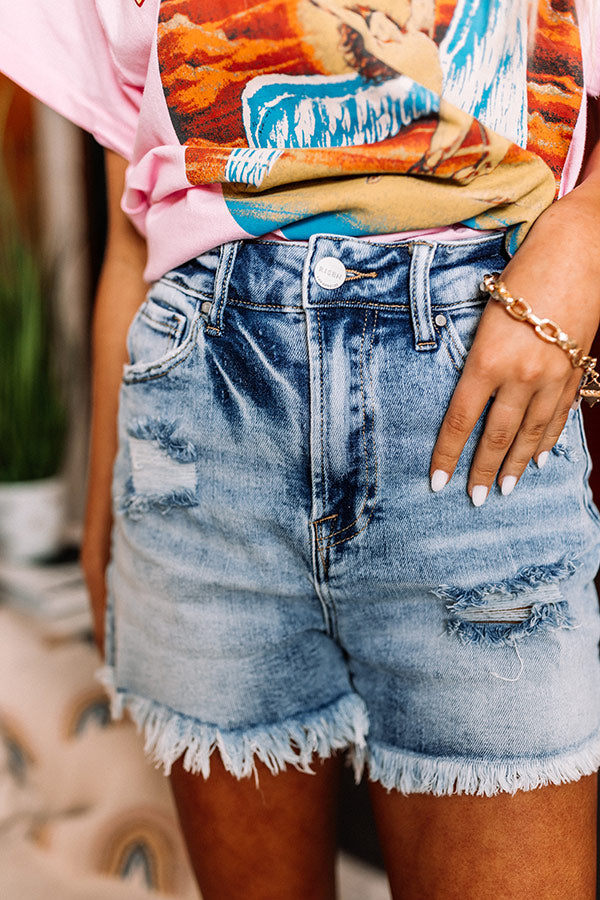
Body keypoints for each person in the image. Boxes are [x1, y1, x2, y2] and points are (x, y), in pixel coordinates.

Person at [2, 1, 600, 897]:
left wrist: (587, 235)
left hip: (477, 421)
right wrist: (108, 503)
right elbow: (139, 207)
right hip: (200, 437)